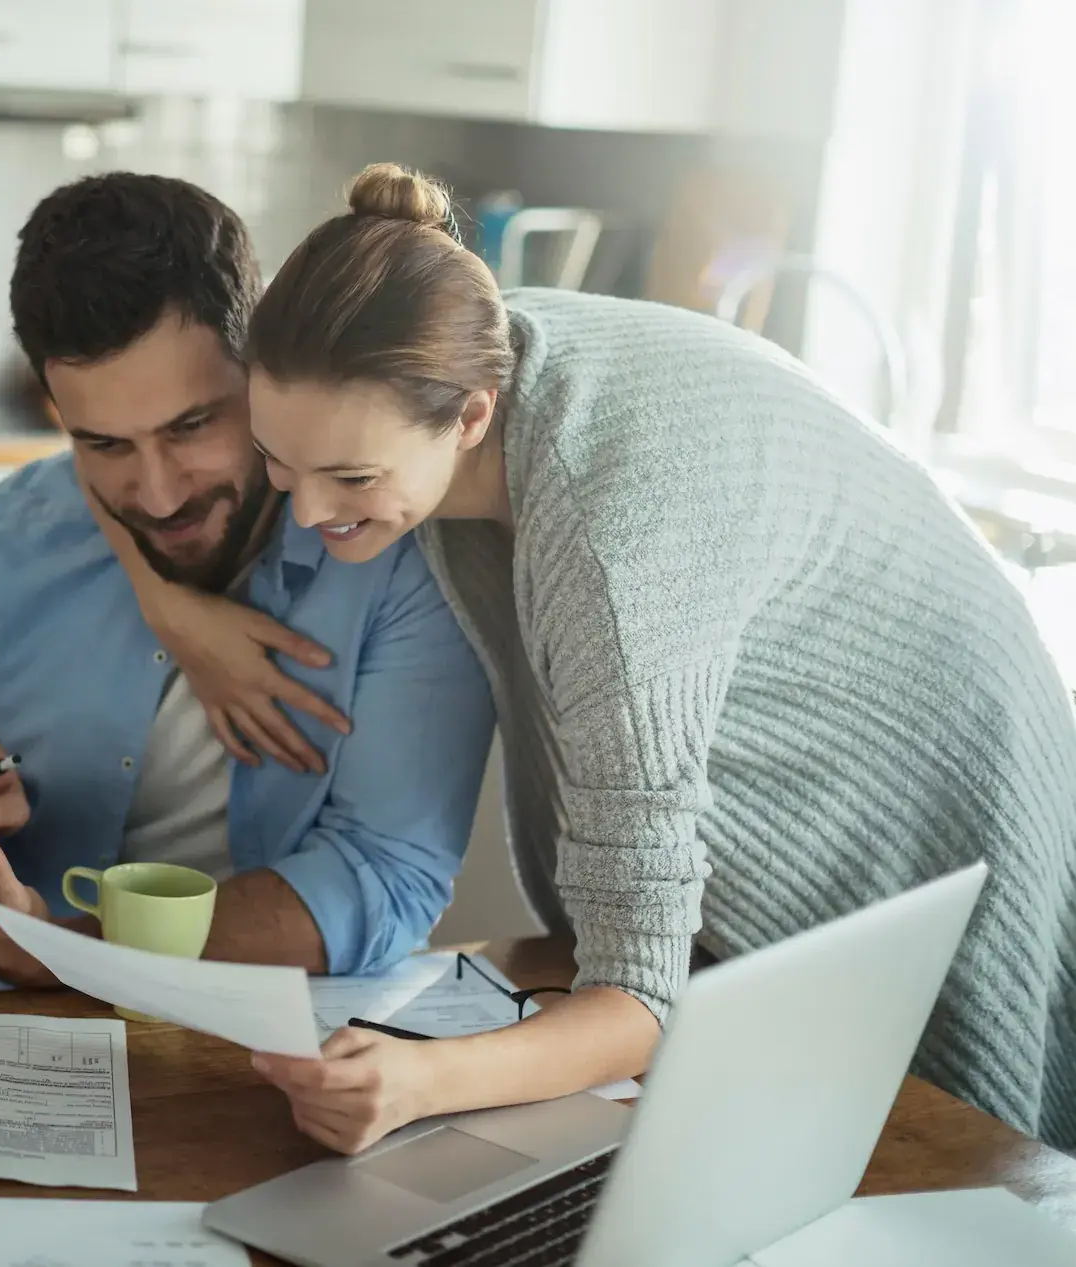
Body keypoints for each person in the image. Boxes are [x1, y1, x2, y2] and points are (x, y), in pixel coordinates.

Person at [103, 162, 1076, 1153]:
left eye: (350, 477)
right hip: (845, 706)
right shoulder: (442, 347)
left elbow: (638, 1000)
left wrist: (419, 1079)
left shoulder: (615, 540)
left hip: (955, 751)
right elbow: (96, 430)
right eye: (279, 463)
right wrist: (166, 601)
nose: (306, 513)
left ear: (471, 418)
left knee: (946, 1152)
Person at [0, 172, 495, 998]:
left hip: (248, 1044)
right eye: (103, 444)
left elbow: (386, 878)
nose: (161, 494)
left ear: (263, 369)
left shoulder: (394, 557)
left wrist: (72, 949)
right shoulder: (13, 540)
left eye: (193, 425)